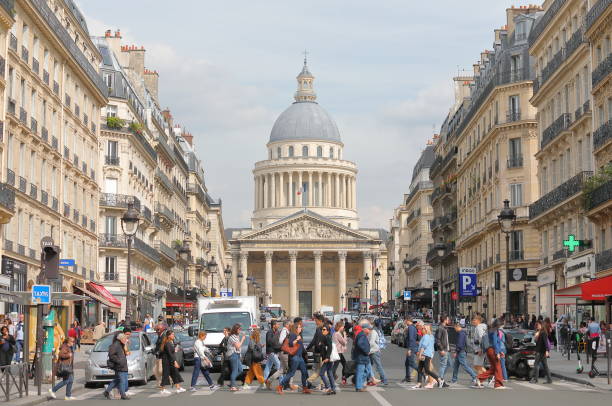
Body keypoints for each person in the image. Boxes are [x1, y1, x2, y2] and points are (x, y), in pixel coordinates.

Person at [277, 323, 311, 394]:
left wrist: (306, 352)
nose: (301, 328)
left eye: (301, 327)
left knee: (304, 372)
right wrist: (297, 339)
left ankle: (304, 388)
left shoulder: (299, 335)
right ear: (296, 328)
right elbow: (290, 344)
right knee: (291, 373)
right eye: (299, 327)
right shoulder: (293, 335)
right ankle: (280, 386)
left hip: (300, 357)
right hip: (294, 357)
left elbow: (301, 347)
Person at [451, 322, 481, 387]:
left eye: (454, 328)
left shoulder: (461, 334)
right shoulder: (462, 333)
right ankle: (454, 379)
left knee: (465, 366)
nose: (454, 329)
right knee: (456, 366)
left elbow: (460, 344)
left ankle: (474, 376)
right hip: (461, 351)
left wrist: (456, 351)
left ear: (457, 326)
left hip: (460, 352)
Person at [477, 320, 505, 389]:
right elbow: (495, 343)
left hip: (489, 350)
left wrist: (500, 351)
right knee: (498, 367)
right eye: (501, 325)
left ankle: (479, 378)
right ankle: (498, 384)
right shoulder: (495, 331)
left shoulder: (490, 330)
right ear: (498, 325)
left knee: (493, 368)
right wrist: (497, 352)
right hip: (493, 350)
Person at [413, 324, 441, 389]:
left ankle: (438, 379)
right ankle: (419, 384)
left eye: (423, 329)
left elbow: (423, 347)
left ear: (426, 330)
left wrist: (419, 355)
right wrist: (432, 354)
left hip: (424, 355)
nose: (421, 330)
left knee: (427, 370)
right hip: (428, 354)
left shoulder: (425, 336)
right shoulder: (431, 336)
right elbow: (431, 347)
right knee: (420, 369)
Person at [103, 333, 130, 400]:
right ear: (120, 339)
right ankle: (123, 394)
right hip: (119, 366)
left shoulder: (121, 345)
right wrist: (119, 361)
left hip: (122, 365)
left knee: (117, 380)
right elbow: (111, 355)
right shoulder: (115, 345)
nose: (125, 339)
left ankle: (107, 391)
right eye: (124, 338)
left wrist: (126, 344)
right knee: (122, 381)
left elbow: (126, 352)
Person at [306, 314, 325, 389]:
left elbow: (317, 341)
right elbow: (315, 340)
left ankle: (311, 381)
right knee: (322, 369)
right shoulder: (319, 329)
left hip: (319, 352)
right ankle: (322, 384)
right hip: (320, 352)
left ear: (320, 321)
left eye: (316, 321)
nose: (315, 322)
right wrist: (308, 348)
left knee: (319, 369)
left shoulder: (323, 328)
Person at [352, 321, 371, 392]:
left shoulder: (362, 334)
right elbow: (360, 344)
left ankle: (359, 384)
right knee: (361, 372)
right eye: (369, 329)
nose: (369, 331)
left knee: (367, 371)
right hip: (361, 357)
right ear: (365, 329)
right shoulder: (362, 335)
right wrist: (366, 351)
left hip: (363, 357)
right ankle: (359, 386)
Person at [263, 320, 283, 389]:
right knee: (280, 366)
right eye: (277, 324)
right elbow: (269, 341)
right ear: (273, 325)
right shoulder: (270, 332)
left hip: (273, 351)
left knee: (268, 367)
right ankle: (281, 383)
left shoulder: (275, 332)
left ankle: (264, 383)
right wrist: (276, 337)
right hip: (271, 352)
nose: (278, 326)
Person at [368, 318, 388, 386]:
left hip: (373, 351)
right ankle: (369, 379)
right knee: (369, 365)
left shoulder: (374, 331)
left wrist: (367, 349)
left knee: (378, 366)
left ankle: (384, 380)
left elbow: (372, 342)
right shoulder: (379, 330)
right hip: (376, 350)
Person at [227, 324, 246, 392]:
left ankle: (232, 381)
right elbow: (238, 346)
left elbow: (238, 348)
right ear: (235, 330)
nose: (240, 331)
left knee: (240, 370)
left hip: (237, 354)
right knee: (235, 370)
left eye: (240, 329)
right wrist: (242, 340)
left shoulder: (236, 336)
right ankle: (232, 386)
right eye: (239, 329)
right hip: (233, 354)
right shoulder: (232, 337)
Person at [318, 323, 336, 395]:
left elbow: (330, 347)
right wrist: (320, 345)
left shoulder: (327, 337)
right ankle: (333, 388)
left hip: (327, 358)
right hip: (328, 358)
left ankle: (328, 387)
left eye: (324, 329)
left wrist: (327, 357)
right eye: (322, 329)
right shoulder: (324, 337)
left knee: (321, 373)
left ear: (328, 331)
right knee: (329, 372)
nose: (323, 330)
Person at [435, 314, 450, 387]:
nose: (448, 320)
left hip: (446, 349)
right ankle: (440, 379)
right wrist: (441, 349)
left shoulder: (444, 328)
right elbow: (437, 340)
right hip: (443, 349)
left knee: (449, 364)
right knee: (443, 365)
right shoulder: (440, 328)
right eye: (447, 319)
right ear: (444, 320)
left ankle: (441, 378)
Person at [402, 317, 418, 383]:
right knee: (407, 363)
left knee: (411, 363)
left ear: (408, 321)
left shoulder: (411, 328)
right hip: (412, 347)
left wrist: (409, 349)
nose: (405, 322)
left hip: (411, 348)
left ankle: (423, 373)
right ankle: (407, 377)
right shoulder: (413, 327)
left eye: (405, 320)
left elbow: (411, 339)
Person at [332, 321, 348, 385]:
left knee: (344, 364)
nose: (343, 328)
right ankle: (332, 378)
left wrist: (344, 335)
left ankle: (343, 378)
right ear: (340, 327)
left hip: (339, 352)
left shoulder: (336, 333)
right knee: (335, 366)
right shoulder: (337, 334)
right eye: (342, 326)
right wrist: (344, 336)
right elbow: (344, 342)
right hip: (338, 352)